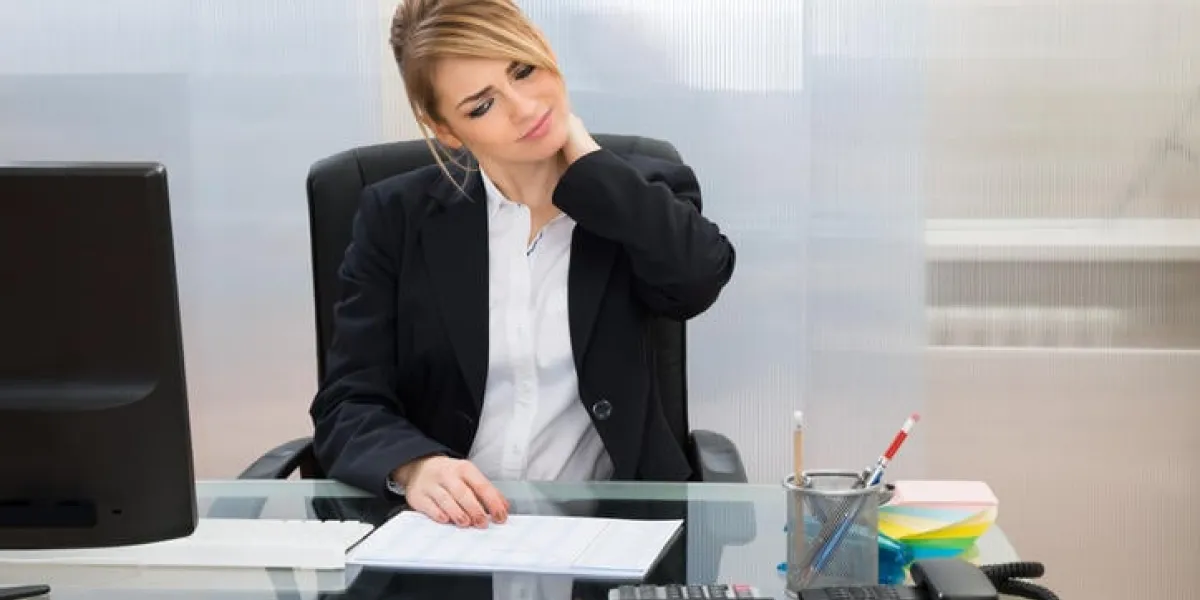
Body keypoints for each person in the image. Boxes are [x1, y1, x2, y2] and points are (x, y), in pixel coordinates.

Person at [308, 0, 736, 529]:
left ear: (545, 51)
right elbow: (347, 400)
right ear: (445, 130)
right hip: (450, 535)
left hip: (606, 535)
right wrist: (415, 467)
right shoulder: (394, 217)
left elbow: (698, 278)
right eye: (481, 105)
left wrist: (587, 161)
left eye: (523, 70)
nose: (525, 108)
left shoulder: (640, 194)